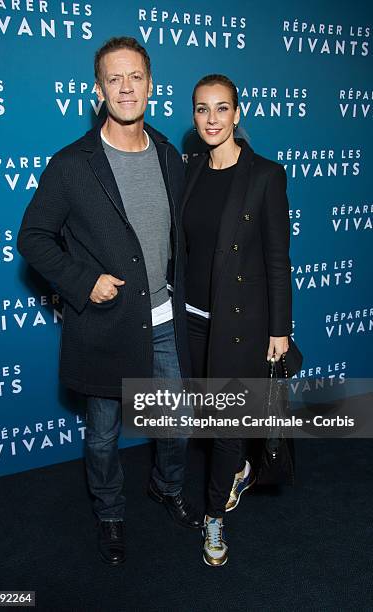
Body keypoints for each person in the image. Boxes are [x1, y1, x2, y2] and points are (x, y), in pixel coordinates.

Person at [17, 36, 201, 566]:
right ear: (98, 90)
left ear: (150, 84)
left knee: (177, 424)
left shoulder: (169, 155)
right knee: (102, 437)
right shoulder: (72, 164)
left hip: (164, 320)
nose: (126, 88)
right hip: (104, 322)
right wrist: (82, 280)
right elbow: (32, 238)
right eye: (114, 79)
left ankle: (166, 488)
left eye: (135, 77)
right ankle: (111, 513)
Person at [183, 74, 292, 566]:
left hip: (243, 323)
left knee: (225, 423)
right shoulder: (190, 172)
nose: (211, 120)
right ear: (194, 116)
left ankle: (214, 519)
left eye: (221, 109)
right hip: (191, 320)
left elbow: (277, 258)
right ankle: (241, 466)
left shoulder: (266, 176)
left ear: (237, 114)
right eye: (202, 110)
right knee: (206, 418)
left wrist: (280, 328)